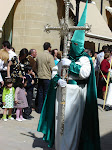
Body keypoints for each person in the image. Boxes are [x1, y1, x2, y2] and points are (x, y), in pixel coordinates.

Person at [37, 1, 101, 150]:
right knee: (60, 122)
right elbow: (54, 72)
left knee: (72, 124)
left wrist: (70, 65)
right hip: (62, 93)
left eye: (77, 45)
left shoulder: (84, 59)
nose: (74, 47)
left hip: (76, 96)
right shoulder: (66, 57)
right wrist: (58, 80)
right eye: (74, 44)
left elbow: (85, 73)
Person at [35, 42, 55, 113]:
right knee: (46, 94)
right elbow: (53, 68)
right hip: (47, 77)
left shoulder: (38, 55)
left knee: (40, 93)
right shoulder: (50, 56)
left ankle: (39, 108)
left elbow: (36, 66)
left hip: (40, 76)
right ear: (49, 48)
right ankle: (45, 109)